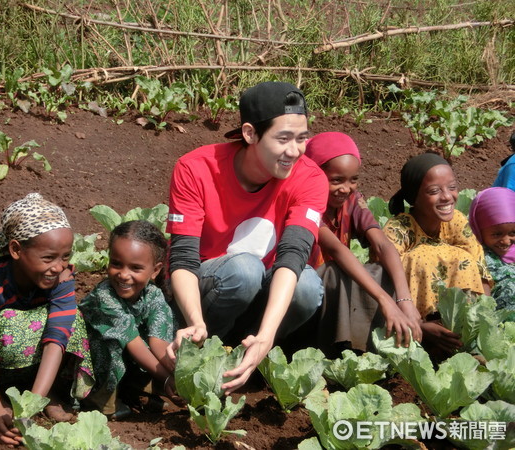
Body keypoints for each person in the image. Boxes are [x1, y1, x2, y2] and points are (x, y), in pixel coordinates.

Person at [165, 81, 328, 393]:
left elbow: (293, 255)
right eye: (283, 139)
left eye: (302, 139)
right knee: (244, 271)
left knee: (307, 285)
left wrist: (266, 335)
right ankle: (201, 355)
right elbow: (183, 258)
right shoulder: (195, 168)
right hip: (206, 295)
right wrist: (196, 321)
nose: (294, 151)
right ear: (251, 134)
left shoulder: (310, 179)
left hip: (260, 300)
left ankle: (247, 355)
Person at [0, 193, 94, 446]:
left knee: (73, 321)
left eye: (65, 256)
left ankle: (44, 391)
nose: (58, 266)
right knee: (11, 321)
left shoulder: (62, 278)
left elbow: (57, 339)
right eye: (48, 258)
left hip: (38, 361)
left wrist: (32, 404)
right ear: (15, 249)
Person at [303, 132, 421, 355]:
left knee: (380, 270)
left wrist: (405, 300)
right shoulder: (305, 202)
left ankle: (381, 343)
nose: (346, 188)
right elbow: (336, 249)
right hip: (306, 291)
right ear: (314, 174)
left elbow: (383, 245)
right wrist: (385, 300)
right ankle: (338, 348)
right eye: (336, 180)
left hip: (337, 288)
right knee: (333, 272)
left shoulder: (352, 201)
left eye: (353, 180)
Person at [384, 153, 492, 356]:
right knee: (421, 256)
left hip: (460, 332)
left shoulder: (457, 221)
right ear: (413, 197)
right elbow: (385, 284)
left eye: (452, 187)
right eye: (434, 191)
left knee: (463, 257)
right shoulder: (398, 229)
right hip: (413, 325)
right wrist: (420, 327)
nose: (447, 196)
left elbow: (480, 268)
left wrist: (480, 322)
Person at [80, 220, 180, 418]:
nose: (124, 275)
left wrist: (177, 375)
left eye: (135, 268)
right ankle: (100, 397)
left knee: (170, 340)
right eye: (116, 264)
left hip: (130, 356)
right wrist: (167, 380)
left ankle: (133, 386)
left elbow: (158, 341)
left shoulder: (153, 295)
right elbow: (133, 344)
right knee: (113, 341)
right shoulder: (104, 297)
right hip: (92, 362)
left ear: (155, 270)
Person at [469, 187, 515, 316]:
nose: (506, 241)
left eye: (513, 233)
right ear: (478, 229)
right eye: (497, 234)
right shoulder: (477, 258)